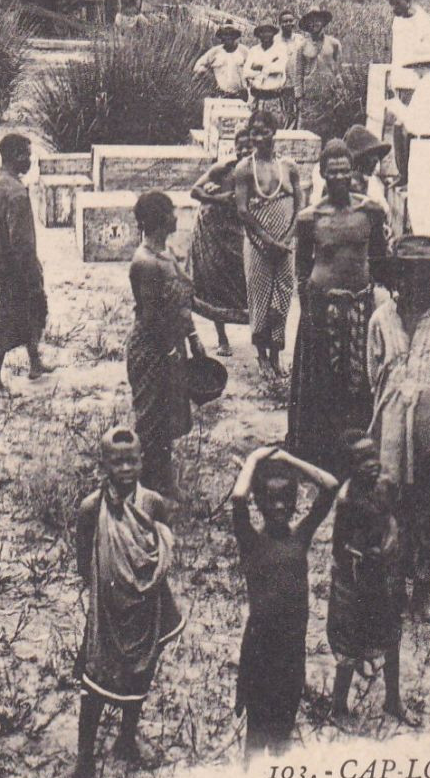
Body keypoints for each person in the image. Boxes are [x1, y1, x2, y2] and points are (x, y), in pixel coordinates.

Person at [53, 427, 184, 778]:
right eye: (117, 461)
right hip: (107, 611)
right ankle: (84, 758)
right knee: (93, 681)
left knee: (140, 672)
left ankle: (126, 740)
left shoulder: (153, 502)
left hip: (145, 608)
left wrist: (142, 585)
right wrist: (109, 586)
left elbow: (162, 549)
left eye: (133, 459)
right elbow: (83, 559)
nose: (126, 467)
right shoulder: (91, 507)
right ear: (103, 464)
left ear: (143, 460)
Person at [368, 235, 430, 622]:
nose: (418, 281)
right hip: (389, 433)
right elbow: (373, 371)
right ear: (398, 274)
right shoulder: (382, 319)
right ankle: (392, 587)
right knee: (389, 506)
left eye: (427, 273)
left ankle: (425, 591)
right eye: (410, 272)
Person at [228, 444, 339, 758]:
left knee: (283, 727)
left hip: (292, 649)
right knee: (256, 728)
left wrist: (289, 458)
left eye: (285, 499)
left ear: (295, 503)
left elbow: (330, 486)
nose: (278, 506)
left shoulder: (300, 538)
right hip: (260, 649)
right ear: (259, 503)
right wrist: (255, 459)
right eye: (270, 500)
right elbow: (238, 498)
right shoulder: (251, 541)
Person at [288, 141, 391, 473]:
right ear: (322, 174)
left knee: (359, 377)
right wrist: (308, 304)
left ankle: (358, 447)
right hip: (322, 307)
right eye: (332, 172)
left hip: (361, 305)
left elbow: (379, 258)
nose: (339, 178)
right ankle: (320, 449)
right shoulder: (310, 218)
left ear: (353, 172)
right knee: (323, 378)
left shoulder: (370, 212)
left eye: (345, 171)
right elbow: (302, 266)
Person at [327, 432, 413, 723]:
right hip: (353, 582)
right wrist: (361, 555)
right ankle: (338, 706)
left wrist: (390, 544)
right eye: (362, 459)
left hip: (383, 577)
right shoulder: (347, 500)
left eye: (374, 455)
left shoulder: (386, 485)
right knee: (349, 645)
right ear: (348, 466)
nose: (372, 464)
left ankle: (393, 699)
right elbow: (338, 548)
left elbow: (396, 519)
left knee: (391, 637)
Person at [127, 190, 205, 497]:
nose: (176, 217)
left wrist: (194, 338)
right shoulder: (145, 262)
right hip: (152, 350)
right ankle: (140, 486)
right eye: (171, 212)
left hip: (169, 346)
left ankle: (163, 481)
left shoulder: (166, 254)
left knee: (167, 417)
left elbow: (180, 304)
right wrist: (172, 350)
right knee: (150, 420)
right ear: (160, 221)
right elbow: (151, 317)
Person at [0, 134, 54, 399]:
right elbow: (21, 244)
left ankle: (35, 364)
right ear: (13, 157)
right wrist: (31, 279)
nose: (30, 159)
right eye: (25, 154)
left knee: (29, 314)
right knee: (4, 322)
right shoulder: (16, 193)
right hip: (10, 272)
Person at [234, 111, 302, 376]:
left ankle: (276, 355)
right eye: (254, 132)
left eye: (264, 131)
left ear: (276, 131)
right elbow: (242, 210)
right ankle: (262, 356)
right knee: (260, 297)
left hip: (285, 244)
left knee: (283, 297)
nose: (259, 138)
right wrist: (267, 240)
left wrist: (286, 239)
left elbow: (299, 205)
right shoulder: (244, 169)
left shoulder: (289, 167)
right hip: (258, 244)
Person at [187, 133, 251, 356]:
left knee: (243, 279)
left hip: (237, 230)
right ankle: (222, 338)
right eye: (240, 148)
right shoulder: (223, 169)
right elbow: (195, 191)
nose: (245, 152)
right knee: (214, 281)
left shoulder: (258, 172)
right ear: (234, 148)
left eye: (249, 148)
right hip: (212, 227)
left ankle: (259, 335)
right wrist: (218, 198)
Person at [381, 46, 430, 237]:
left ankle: (424, 238)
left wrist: (395, 105)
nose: (414, 71)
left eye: (416, 67)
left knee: (419, 199)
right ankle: (427, 237)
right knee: (429, 197)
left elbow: (413, 122)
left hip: (423, 146)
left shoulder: (425, 88)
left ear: (423, 66)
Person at [384, 0, 430, 94]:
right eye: (392, 4)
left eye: (397, 4)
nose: (394, 8)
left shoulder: (425, 22)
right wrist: (392, 76)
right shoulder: (398, 20)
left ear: (408, 0)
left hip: (420, 84)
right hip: (400, 82)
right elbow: (397, 53)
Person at [291, 7, 342, 126]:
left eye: (317, 20)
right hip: (309, 94)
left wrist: (340, 89)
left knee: (328, 127)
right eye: (311, 21)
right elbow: (298, 72)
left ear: (323, 22)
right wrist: (299, 96)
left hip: (329, 93)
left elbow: (338, 70)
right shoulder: (302, 46)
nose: (314, 24)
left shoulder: (334, 44)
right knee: (306, 126)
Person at [245, 23, 291, 127]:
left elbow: (280, 68)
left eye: (268, 31)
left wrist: (261, 67)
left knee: (275, 129)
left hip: (273, 98)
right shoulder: (253, 50)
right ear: (259, 34)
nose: (265, 34)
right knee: (254, 129)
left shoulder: (281, 49)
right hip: (256, 98)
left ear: (273, 33)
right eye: (262, 32)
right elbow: (246, 72)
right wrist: (262, 71)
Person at [339, 125, 393, 213]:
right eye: (371, 154)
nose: (376, 161)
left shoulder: (371, 183)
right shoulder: (340, 182)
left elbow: (384, 211)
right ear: (360, 158)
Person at [193, 23, 249, 99]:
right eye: (225, 34)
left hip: (240, 96)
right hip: (220, 95)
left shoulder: (244, 51)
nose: (228, 37)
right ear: (221, 37)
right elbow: (198, 66)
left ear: (235, 36)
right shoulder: (215, 52)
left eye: (231, 34)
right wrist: (209, 76)